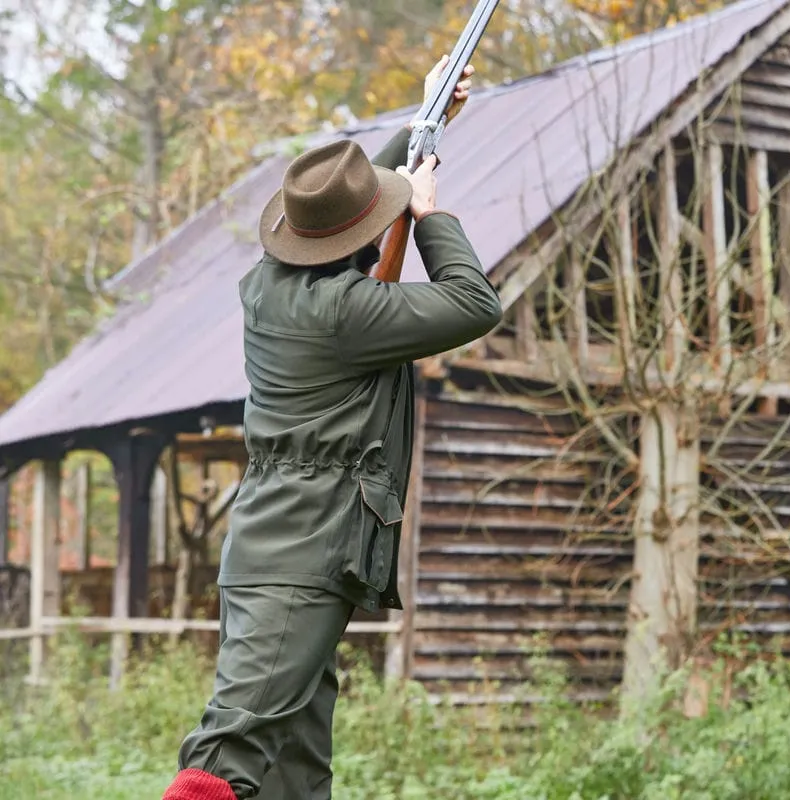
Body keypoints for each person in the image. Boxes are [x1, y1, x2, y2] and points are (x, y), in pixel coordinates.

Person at [162, 55, 502, 800]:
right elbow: (476, 304)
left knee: (294, 772)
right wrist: (428, 213)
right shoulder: (344, 313)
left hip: (283, 546)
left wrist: (429, 118)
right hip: (305, 550)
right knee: (226, 760)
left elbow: (340, 208)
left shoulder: (268, 284)